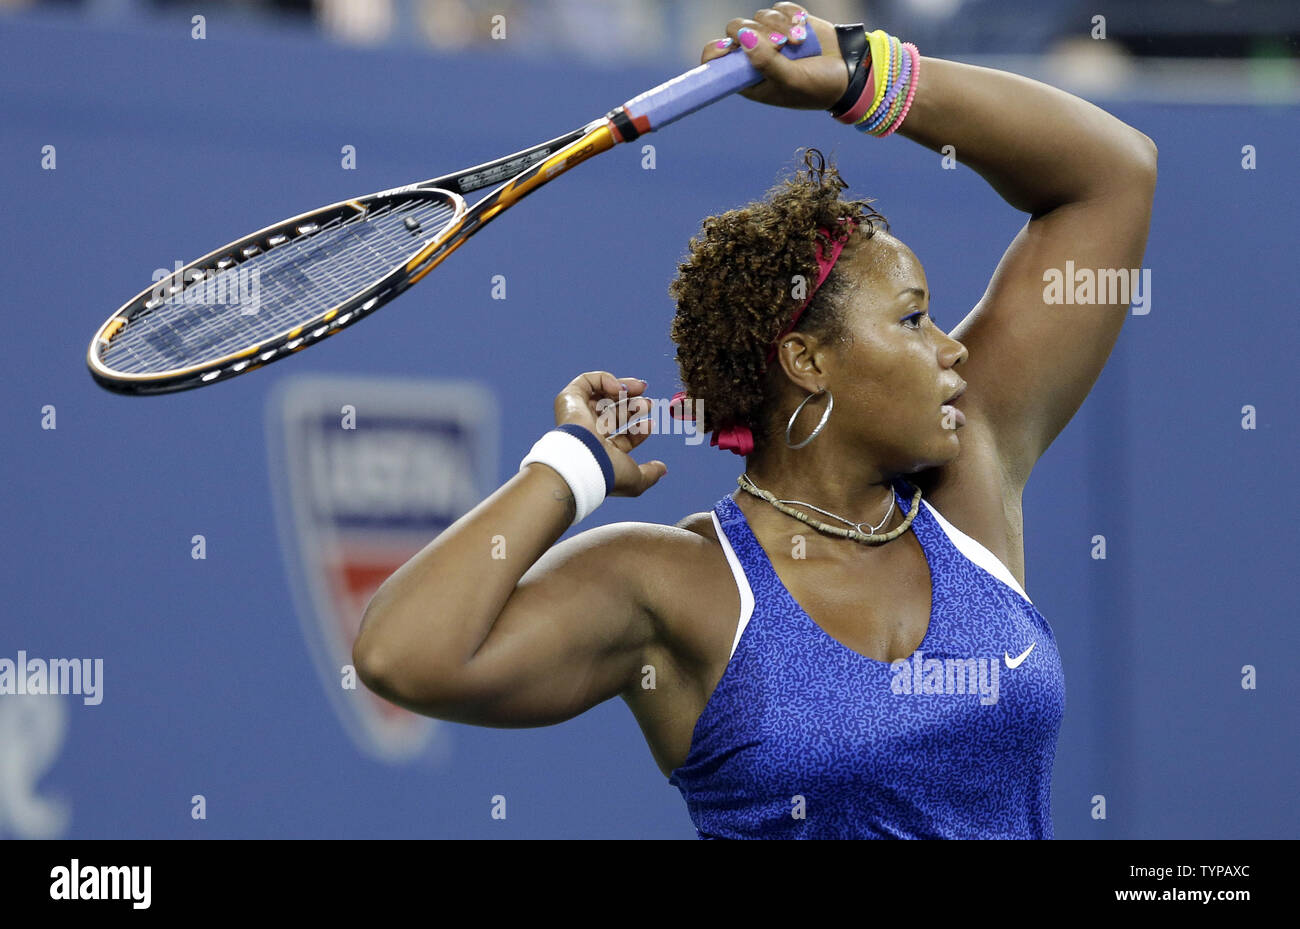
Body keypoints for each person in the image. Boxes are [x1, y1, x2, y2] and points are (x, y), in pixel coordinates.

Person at [352, 3, 1157, 839]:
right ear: (807, 361)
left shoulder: (968, 483)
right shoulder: (679, 585)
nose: (951, 350)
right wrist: (569, 467)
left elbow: (1113, 174)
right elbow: (399, 654)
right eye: (914, 320)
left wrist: (858, 71)